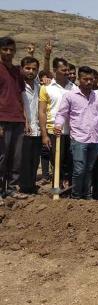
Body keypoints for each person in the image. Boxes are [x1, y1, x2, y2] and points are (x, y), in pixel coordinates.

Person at [54, 66, 98, 199]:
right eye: (85, 79)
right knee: (79, 169)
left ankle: (87, 195)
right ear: (79, 79)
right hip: (78, 139)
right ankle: (76, 196)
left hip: (94, 140)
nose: (89, 82)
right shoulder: (70, 96)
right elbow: (61, 114)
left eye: (91, 79)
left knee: (89, 169)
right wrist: (58, 124)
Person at [39, 57, 77, 189]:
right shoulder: (46, 87)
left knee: (70, 162)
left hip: (72, 132)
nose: (67, 72)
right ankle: (57, 188)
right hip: (53, 131)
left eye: (68, 70)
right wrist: (44, 135)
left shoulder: (74, 88)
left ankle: (70, 190)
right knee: (56, 162)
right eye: (63, 70)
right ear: (55, 70)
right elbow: (42, 112)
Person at [0, 36, 28, 201]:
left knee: (16, 158)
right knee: (1, 157)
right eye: (5, 49)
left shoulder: (18, 72)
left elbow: (21, 96)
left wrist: (25, 119)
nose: (8, 52)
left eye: (11, 50)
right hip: (2, 119)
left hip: (18, 119)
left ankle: (11, 189)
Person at [19, 56, 42, 194]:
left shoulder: (39, 87)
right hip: (23, 127)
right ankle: (24, 187)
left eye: (34, 69)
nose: (31, 71)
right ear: (22, 69)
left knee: (34, 159)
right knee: (24, 159)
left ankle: (31, 185)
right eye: (27, 68)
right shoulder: (19, 86)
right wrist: (25, 120)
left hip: (37, 128)